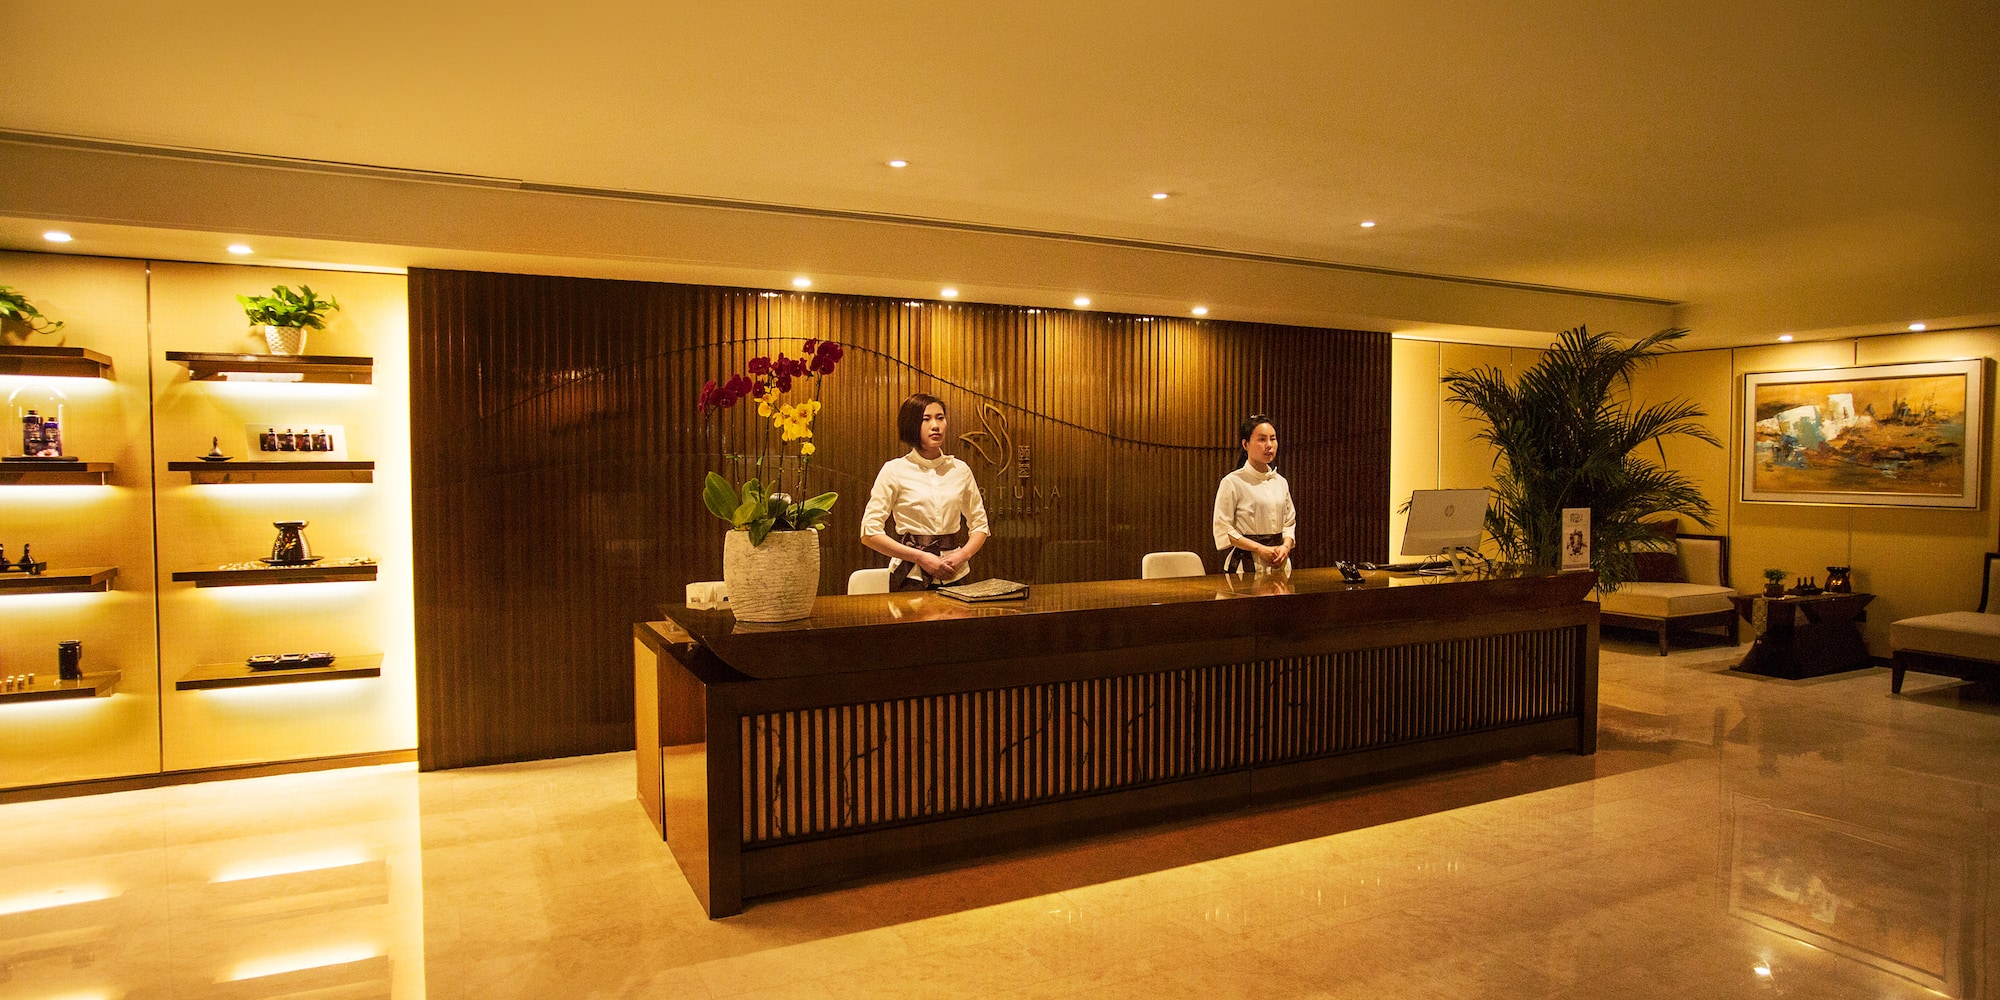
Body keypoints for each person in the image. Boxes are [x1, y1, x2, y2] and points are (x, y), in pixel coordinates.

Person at [861, 393, 991, 590]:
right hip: (909, 577)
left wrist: (962, 555)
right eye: (926, 419)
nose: (936, 425)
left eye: (940, 417)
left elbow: (980, 525)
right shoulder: (894, 470)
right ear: (911, 424)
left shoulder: (960, 469)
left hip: (955, 573)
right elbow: (869, 533)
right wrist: (920, 557)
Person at [1213, 413, 1295, 574]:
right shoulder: (1232, 482)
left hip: (1279, 562)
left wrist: (1286, 546)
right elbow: (1223, 528)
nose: (1269, 445)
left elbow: (1289, 522)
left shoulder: (1280, 482)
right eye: (1262, 439)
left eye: (1273, 438)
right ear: (1246, 444)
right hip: (1247, 564)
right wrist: (1260, 549)